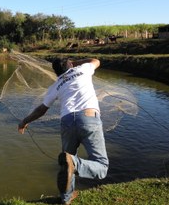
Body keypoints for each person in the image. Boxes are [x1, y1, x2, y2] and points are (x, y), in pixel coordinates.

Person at [18, 57, 109, 205]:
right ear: (71, 65)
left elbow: (42, 109)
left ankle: (66, 198)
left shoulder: (56, 85)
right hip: (88, 118)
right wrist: (76, 63)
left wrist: (24, 121)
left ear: (56, 72)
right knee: (101, 166)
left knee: (66, 163)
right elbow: (96, 60)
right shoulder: (83, 69)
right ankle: (75, 164)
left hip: (66, 122)